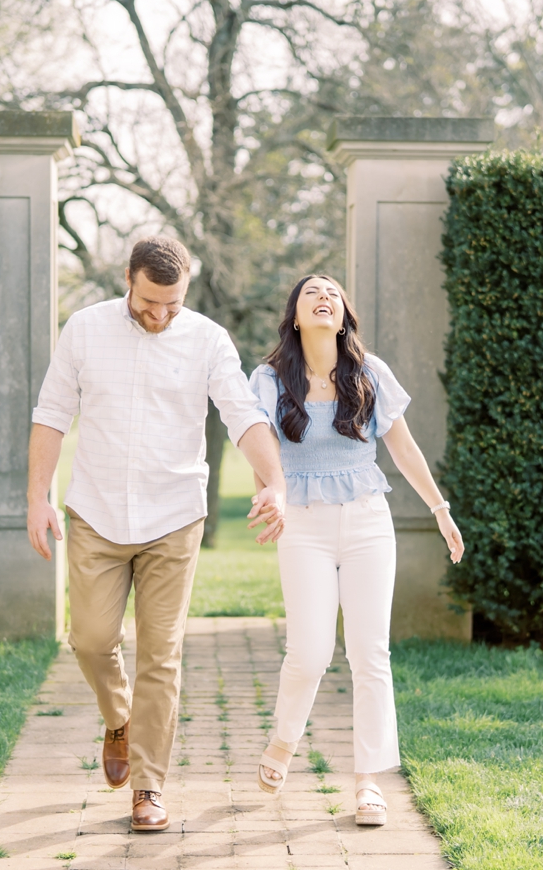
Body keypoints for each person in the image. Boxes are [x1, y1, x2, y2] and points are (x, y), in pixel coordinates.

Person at [27, 236, 287, 832]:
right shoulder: (85, 329)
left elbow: (243, 415)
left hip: (173, 517)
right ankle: (118, 717)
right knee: (90, 641)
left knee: (161, 654)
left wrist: (272, 481)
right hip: (95, 513)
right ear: (128, 279)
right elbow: (51, 412)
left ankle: (148, 786)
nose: (161, 313)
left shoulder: (207, 339)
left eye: (172, 302)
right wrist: (37, 498)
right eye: (149, 301)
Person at [250, 274, 464, 826]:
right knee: (312, 652)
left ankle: (368, 782)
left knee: (370, 654)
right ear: (295, 316)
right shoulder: (269, 379)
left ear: (344, 313)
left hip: (368, 520)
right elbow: (260, 450)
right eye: (310, 292)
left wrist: (440, 510)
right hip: (303, 525)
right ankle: (282, 741)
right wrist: (267, 495)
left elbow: (404, 446)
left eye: (334, 292)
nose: (324, 297)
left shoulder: (371, 373)